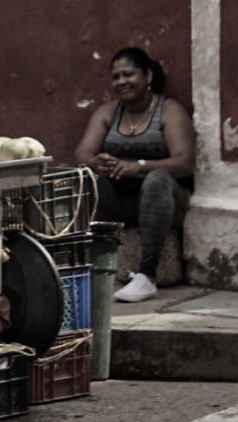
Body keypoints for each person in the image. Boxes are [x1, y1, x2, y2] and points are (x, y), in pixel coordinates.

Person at [74, 46, 195, 303]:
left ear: (148, 76)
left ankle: (147, 277)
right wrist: (98, 162)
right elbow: (83, 153)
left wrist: (139, 165)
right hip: (121, 201)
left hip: (165, 201)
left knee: (157, 179)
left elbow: (185, 163)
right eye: (116, 77)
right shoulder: (108, 112)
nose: (121, 82)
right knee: (88, 179)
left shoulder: (169, 110)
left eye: (128, 74)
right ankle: (94, 263)